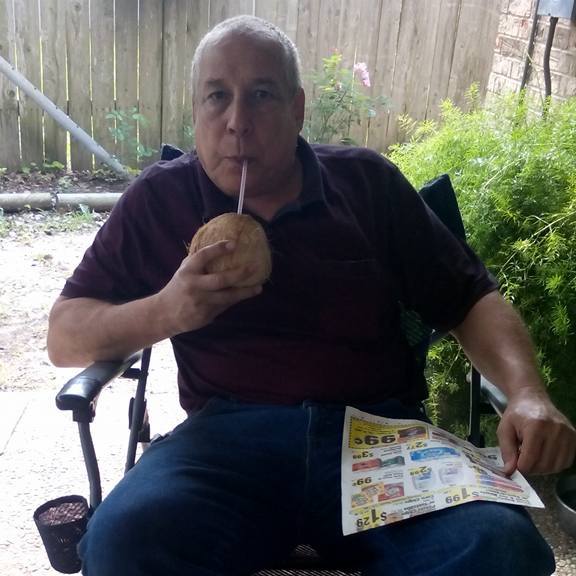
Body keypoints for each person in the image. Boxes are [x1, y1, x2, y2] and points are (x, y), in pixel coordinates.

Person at [47, 15, 575, 576]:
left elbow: (472, 299)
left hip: (379, 440)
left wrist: (526, 392)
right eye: (217, 97)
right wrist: (166, 310)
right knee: (125, 541)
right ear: (196, 110)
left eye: (262, 95)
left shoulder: (367, 184)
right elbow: (64, 335)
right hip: (223, 444)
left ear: (297, 109)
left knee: (498, 546)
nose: (237, 122)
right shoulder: (160, 200)